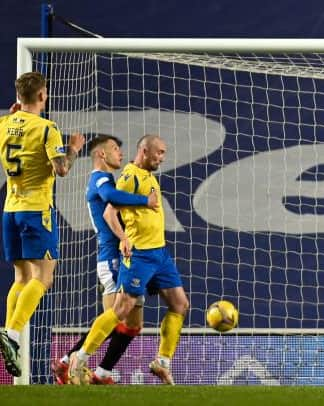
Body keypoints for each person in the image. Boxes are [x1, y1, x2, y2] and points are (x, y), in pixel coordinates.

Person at [67, 134, 189, 385]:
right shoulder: (129, 176)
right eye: (159, 153)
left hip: (160, 254)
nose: (161, 158)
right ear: (144, 151)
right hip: (140, 256)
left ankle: (162, 361)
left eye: (164, 153)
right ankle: (79, 357)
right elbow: (110, 211)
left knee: (180, 304)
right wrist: (123, 238)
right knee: (120, 310)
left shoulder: (149, 176)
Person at [51, 134, 159, 384]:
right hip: (111, 257)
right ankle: (69, 363)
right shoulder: (100, 179)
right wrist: (145, 200)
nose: (120, 153)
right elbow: (111, 197)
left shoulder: (107, 178)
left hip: (125, 257)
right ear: (101, 154)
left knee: (133, 323)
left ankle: (99, 372)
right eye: (114, 149)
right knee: (114, 318)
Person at [0, 72, 85, 377]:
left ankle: (9, 334)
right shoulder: (48, 129)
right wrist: (74, 147)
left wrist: (15, 119)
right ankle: (10, 334)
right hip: (36, 210)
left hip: (10, 207)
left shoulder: (3, 124)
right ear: (42, 96)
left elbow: (14, 131)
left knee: (21, 277)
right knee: (44, 277)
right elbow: (61, 169)